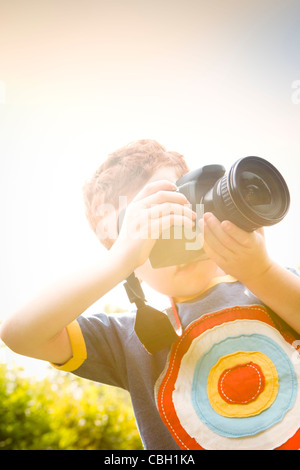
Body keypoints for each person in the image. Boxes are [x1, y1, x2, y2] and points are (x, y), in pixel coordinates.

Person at [1, 139, 300, 450]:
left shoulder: (272, 289)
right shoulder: (126, 339)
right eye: (147, 228)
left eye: (176, 206)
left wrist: (262, 272)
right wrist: (118, 261)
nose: (171, 231)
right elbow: (20, 334)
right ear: (129, 263)